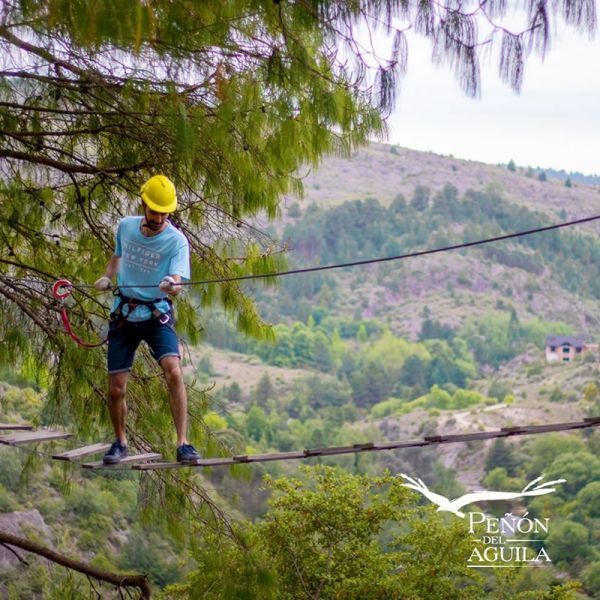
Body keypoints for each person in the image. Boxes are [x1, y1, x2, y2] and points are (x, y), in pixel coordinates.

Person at [94, 175, 201, 465]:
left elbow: (178, 283)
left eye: (164, 212)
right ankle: (120, 442)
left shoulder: (177, 241)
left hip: (156, 313)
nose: (159, 217)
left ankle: (183, 443)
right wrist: (107, 276)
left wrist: (171, 285)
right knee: (116, 389)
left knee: (175, 372)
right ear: (144, 204)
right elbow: (118, 257)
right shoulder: (126, 227)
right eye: (154, 211)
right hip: (124, 314)